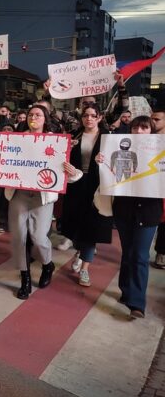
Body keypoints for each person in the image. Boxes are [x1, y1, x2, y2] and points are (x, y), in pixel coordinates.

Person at [6, 105, 76, 299]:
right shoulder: (17, 140)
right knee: (19, 237)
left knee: (38, 238)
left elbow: (66, 175)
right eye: (30, 114)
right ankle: (25, 278)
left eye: (38, 114)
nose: (33, 117)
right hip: (19, 194)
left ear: (45, 118)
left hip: (42, 197)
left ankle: (47, 264)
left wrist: (72, 172)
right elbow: (4, 161)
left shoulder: (56, 141)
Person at [95, 115, 160, 318]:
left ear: (151, 130)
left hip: (149, 212)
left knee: (140, 256)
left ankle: (137, 303)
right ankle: (126, 290)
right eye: (135, 127)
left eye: (144, 127)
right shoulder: (117, 148)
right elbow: (110, 173)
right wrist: (102, 162)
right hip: (124, 210)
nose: (139, 131)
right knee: (128, 252)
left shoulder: (161, 151)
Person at [61, 102, 113, 287]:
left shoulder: (108, 138)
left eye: (93, 115)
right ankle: (79, 251)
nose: (89, 118)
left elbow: (116, 161)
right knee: (74, 226)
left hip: (97, 187)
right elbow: (61, 158)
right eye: (85, 115)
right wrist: (68, 148)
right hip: (76, 185)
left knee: (92, 229)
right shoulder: (74, 135)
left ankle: (85, 268)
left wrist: (103, 161)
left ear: (99, 117)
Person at [150, 108, 165, 270]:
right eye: (151, 119)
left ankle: (161, 251)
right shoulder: (145, 139)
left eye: (157, 120)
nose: (153, 122)